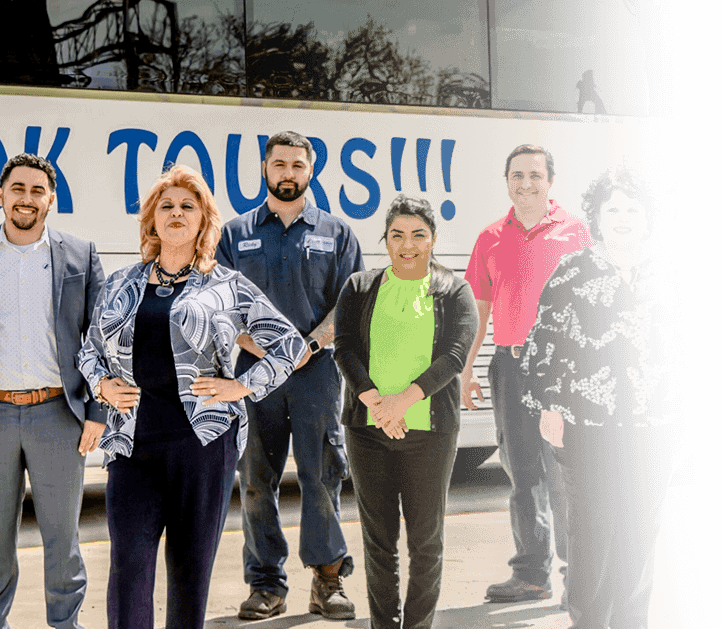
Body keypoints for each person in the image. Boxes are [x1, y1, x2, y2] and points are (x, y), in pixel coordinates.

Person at [77, 164, 305, 629]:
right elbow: (88, 352)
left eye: (188, 206)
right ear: (151, 220)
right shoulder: (121, 283)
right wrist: (101, 386)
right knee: (129, 568)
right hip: (132, 447)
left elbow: (291, 344)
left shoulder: (227, 285)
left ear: (204, 219)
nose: (177, 213)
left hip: (202, 446)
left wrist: (241, 386)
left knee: (190, 572)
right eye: (167, 206)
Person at [0, 153, 105, 629]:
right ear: (0, 195)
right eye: (17, 189)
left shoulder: (80, 254)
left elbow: (104, 337)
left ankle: (65, 623)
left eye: (36, 190)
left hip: (59, 414)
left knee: (62, 538)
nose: (26, 199)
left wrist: (97, 411)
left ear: (51, 199)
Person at [522, 164, 681, 628]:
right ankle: (589, 620)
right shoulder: (573, 271)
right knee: (592, 530)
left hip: (655, 430)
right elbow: (544, 345)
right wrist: (549, 405)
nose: (624, 217)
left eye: (634, 208)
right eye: (613, 208)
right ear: (597, 216)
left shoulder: (670, 275)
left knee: (639, 530)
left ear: (648, 217)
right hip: (586, 426)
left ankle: (634, 620)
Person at [216, 130, 364, 621]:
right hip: (252, 378)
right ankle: (266, 585)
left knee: (322, 477)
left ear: (311, 170)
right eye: (279, 164)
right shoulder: (234, 234)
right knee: (256, 481)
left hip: (315, 375)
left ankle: (329, 582)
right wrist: (264, 349)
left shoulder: (337, 233)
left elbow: (349, 303)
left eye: (297, 165)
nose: (288, 173)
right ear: (264, 168)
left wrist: (310, 344)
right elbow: (221, 308)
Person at [334, 194, 478, 629]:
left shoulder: (455, 289)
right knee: (378, 542)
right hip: (367, 430)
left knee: (425, 541)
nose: (407, 244)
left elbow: (455, 355)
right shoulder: (359, 287)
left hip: (430, 435)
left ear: (433, 239)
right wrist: (376, 402)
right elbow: (345, 349)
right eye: (397, 235)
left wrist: (403, 402)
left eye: (418, 234)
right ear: (386, 240)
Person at [462, 144, 594, 607]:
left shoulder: (577, 232)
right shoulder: (490, 237)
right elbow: (477, 308)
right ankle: (531, 575)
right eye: (517, 175)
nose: (526, 183)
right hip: (510, 364)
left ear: (549, 181)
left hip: (563, 371)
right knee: (521, 473)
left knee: (565, 476)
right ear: (507, 181)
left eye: (534, 175)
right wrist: (467, 366)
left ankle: (578, 576)